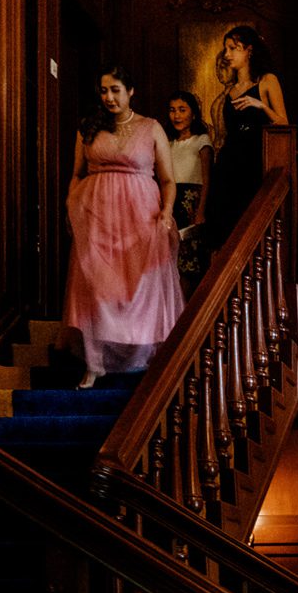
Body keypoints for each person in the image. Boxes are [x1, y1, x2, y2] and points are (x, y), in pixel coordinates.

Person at [63, 66, 183, 389]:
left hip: (140, 218)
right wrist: (70, 203)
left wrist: (167, 210)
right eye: (104, 90)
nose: (109, 97)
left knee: (137, 286)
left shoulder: (151, 127)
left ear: (131, 92)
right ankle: (94, 362)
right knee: (96, 286)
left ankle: (152, 360)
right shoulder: (88, 127)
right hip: (96, 217)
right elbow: (77, 173)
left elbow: (169, 180)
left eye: (115, 90)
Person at [204, 24, 288, 250]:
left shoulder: (267, 80)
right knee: (225, 222)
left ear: (249, 50)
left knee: (249, 219)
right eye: (226, 49)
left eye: (233, 48)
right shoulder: (230, 90)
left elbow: (284, 124)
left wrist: (260, 105)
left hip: (254, 162)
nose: (227, 54)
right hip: (229, 162)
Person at [165, 91, 214, 291]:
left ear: (193, 114)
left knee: (190, 260)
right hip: (172, 200)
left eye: (182, 110)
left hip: (191, 202)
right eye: (172, 110)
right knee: (171, 259)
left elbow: (207, 179)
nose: (176, 115)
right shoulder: (168, 143)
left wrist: (201, 211)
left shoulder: (202, 141)